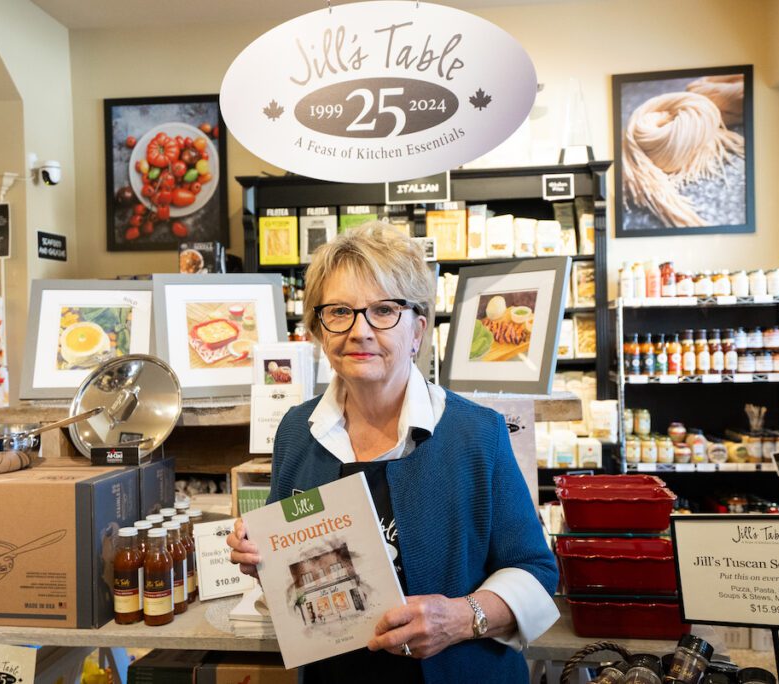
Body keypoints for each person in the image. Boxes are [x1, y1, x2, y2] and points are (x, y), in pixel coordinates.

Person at [228, 222, 558, 683]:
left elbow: (536, 572)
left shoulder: (476, 434)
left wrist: (461, 618)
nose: (360, 331)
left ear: (417, 329)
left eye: (383, 310)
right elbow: (290, 567)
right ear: (320, 331)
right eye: (339, 312)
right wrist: (256, 555)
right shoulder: (296, 433)